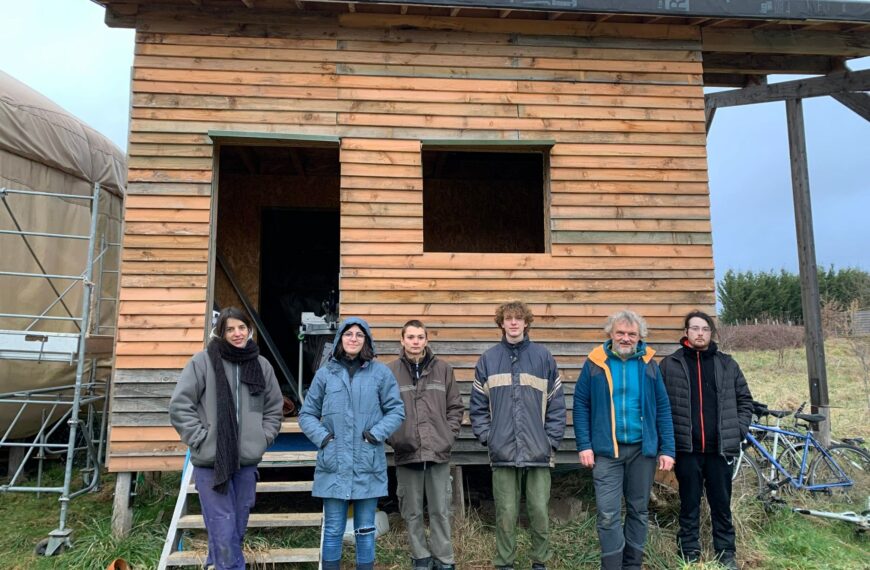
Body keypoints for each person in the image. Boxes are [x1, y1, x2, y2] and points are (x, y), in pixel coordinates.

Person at [169, 307, 284, 570]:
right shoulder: (202, 362)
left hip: (246, 461)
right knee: (223, 526)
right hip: (212, 462)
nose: (237, 333)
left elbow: (274, 407)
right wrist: (201, 438)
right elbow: (180, 405)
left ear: (249, 330)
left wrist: (263, 438)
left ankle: (216, 564)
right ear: (221, 332)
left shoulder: (261, 365)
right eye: (230, 329)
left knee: (237, 524)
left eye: (241, 328)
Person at [298, 317, 405, 570]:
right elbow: (306, 414)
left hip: (367, 462)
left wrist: (375, 434)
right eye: (349, 334)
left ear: (366, 340)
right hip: (333, 462)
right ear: (340, 339)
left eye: (359, 334)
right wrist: (323, 438)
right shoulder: (326, 374)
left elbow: (396, 411)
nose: (353, 339)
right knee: (333, 529)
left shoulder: (380, 373)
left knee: (366, 530)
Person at [573, 310, 675, 570]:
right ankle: (612, 565)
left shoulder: (649, 364)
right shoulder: (595, 363)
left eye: (632, 334)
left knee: (638, 510)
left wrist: (667, 449)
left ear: (640, 337)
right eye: (621, 333)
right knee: (608, 513)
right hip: (607, 452)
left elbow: (662, 407)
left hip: (643, 451)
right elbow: (581, 404)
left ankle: (632, 565)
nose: (626, 338)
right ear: (611, 334)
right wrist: (584, 444)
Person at [469, 301, 566, 570]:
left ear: (526, 323)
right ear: (501, 323)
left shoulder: (543, 357)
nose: (513, 323)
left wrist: (551, 440)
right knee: (506, 514)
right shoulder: (488, 359)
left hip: (538, 451)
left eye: (518, 318)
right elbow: (477, 407)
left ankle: (540, 561)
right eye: (508, 318)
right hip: (502, 452)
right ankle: (505, 562)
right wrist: (489, 437)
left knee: (539, 512)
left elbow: (557, 404)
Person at [660, 311, 753, 570]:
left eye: (705, 329)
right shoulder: (671, 365)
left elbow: (745, 401)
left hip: (719, 451)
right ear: (686, 333)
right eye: (695, 328)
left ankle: (726, 552)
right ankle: (689, 550)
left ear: (711, 334)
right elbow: (660, 405)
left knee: (721, 505)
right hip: (687, 450)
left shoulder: (727, 364)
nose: (700, 333)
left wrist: (738, 430)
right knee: (689, 503)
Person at [387, 319, 464, 570]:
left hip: (437, 451)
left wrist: (447, 435)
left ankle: (444, 558)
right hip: (406, 451)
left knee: (441, 508)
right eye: (410, 337)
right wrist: (396, 437)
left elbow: (455, 407)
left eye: (420, 337)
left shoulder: (443, 370)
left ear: (426, 340)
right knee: (411, 509)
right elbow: (381, 411)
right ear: (402, 340)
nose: (415, 342)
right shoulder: (389, 372)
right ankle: (420, 556)